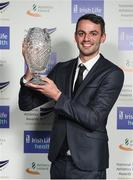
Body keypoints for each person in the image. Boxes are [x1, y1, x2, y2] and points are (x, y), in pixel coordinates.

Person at [19, 13, 124, 179]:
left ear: (103, 37)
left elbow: (94, 119)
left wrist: (58, 96)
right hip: (59, 161)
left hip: (88, 165)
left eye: (93, 33)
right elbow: (26, 104)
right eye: (81, 33)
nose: (86, 39)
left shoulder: (112, 73)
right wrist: (30, 68)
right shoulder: (61, 69)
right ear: (75, 36)